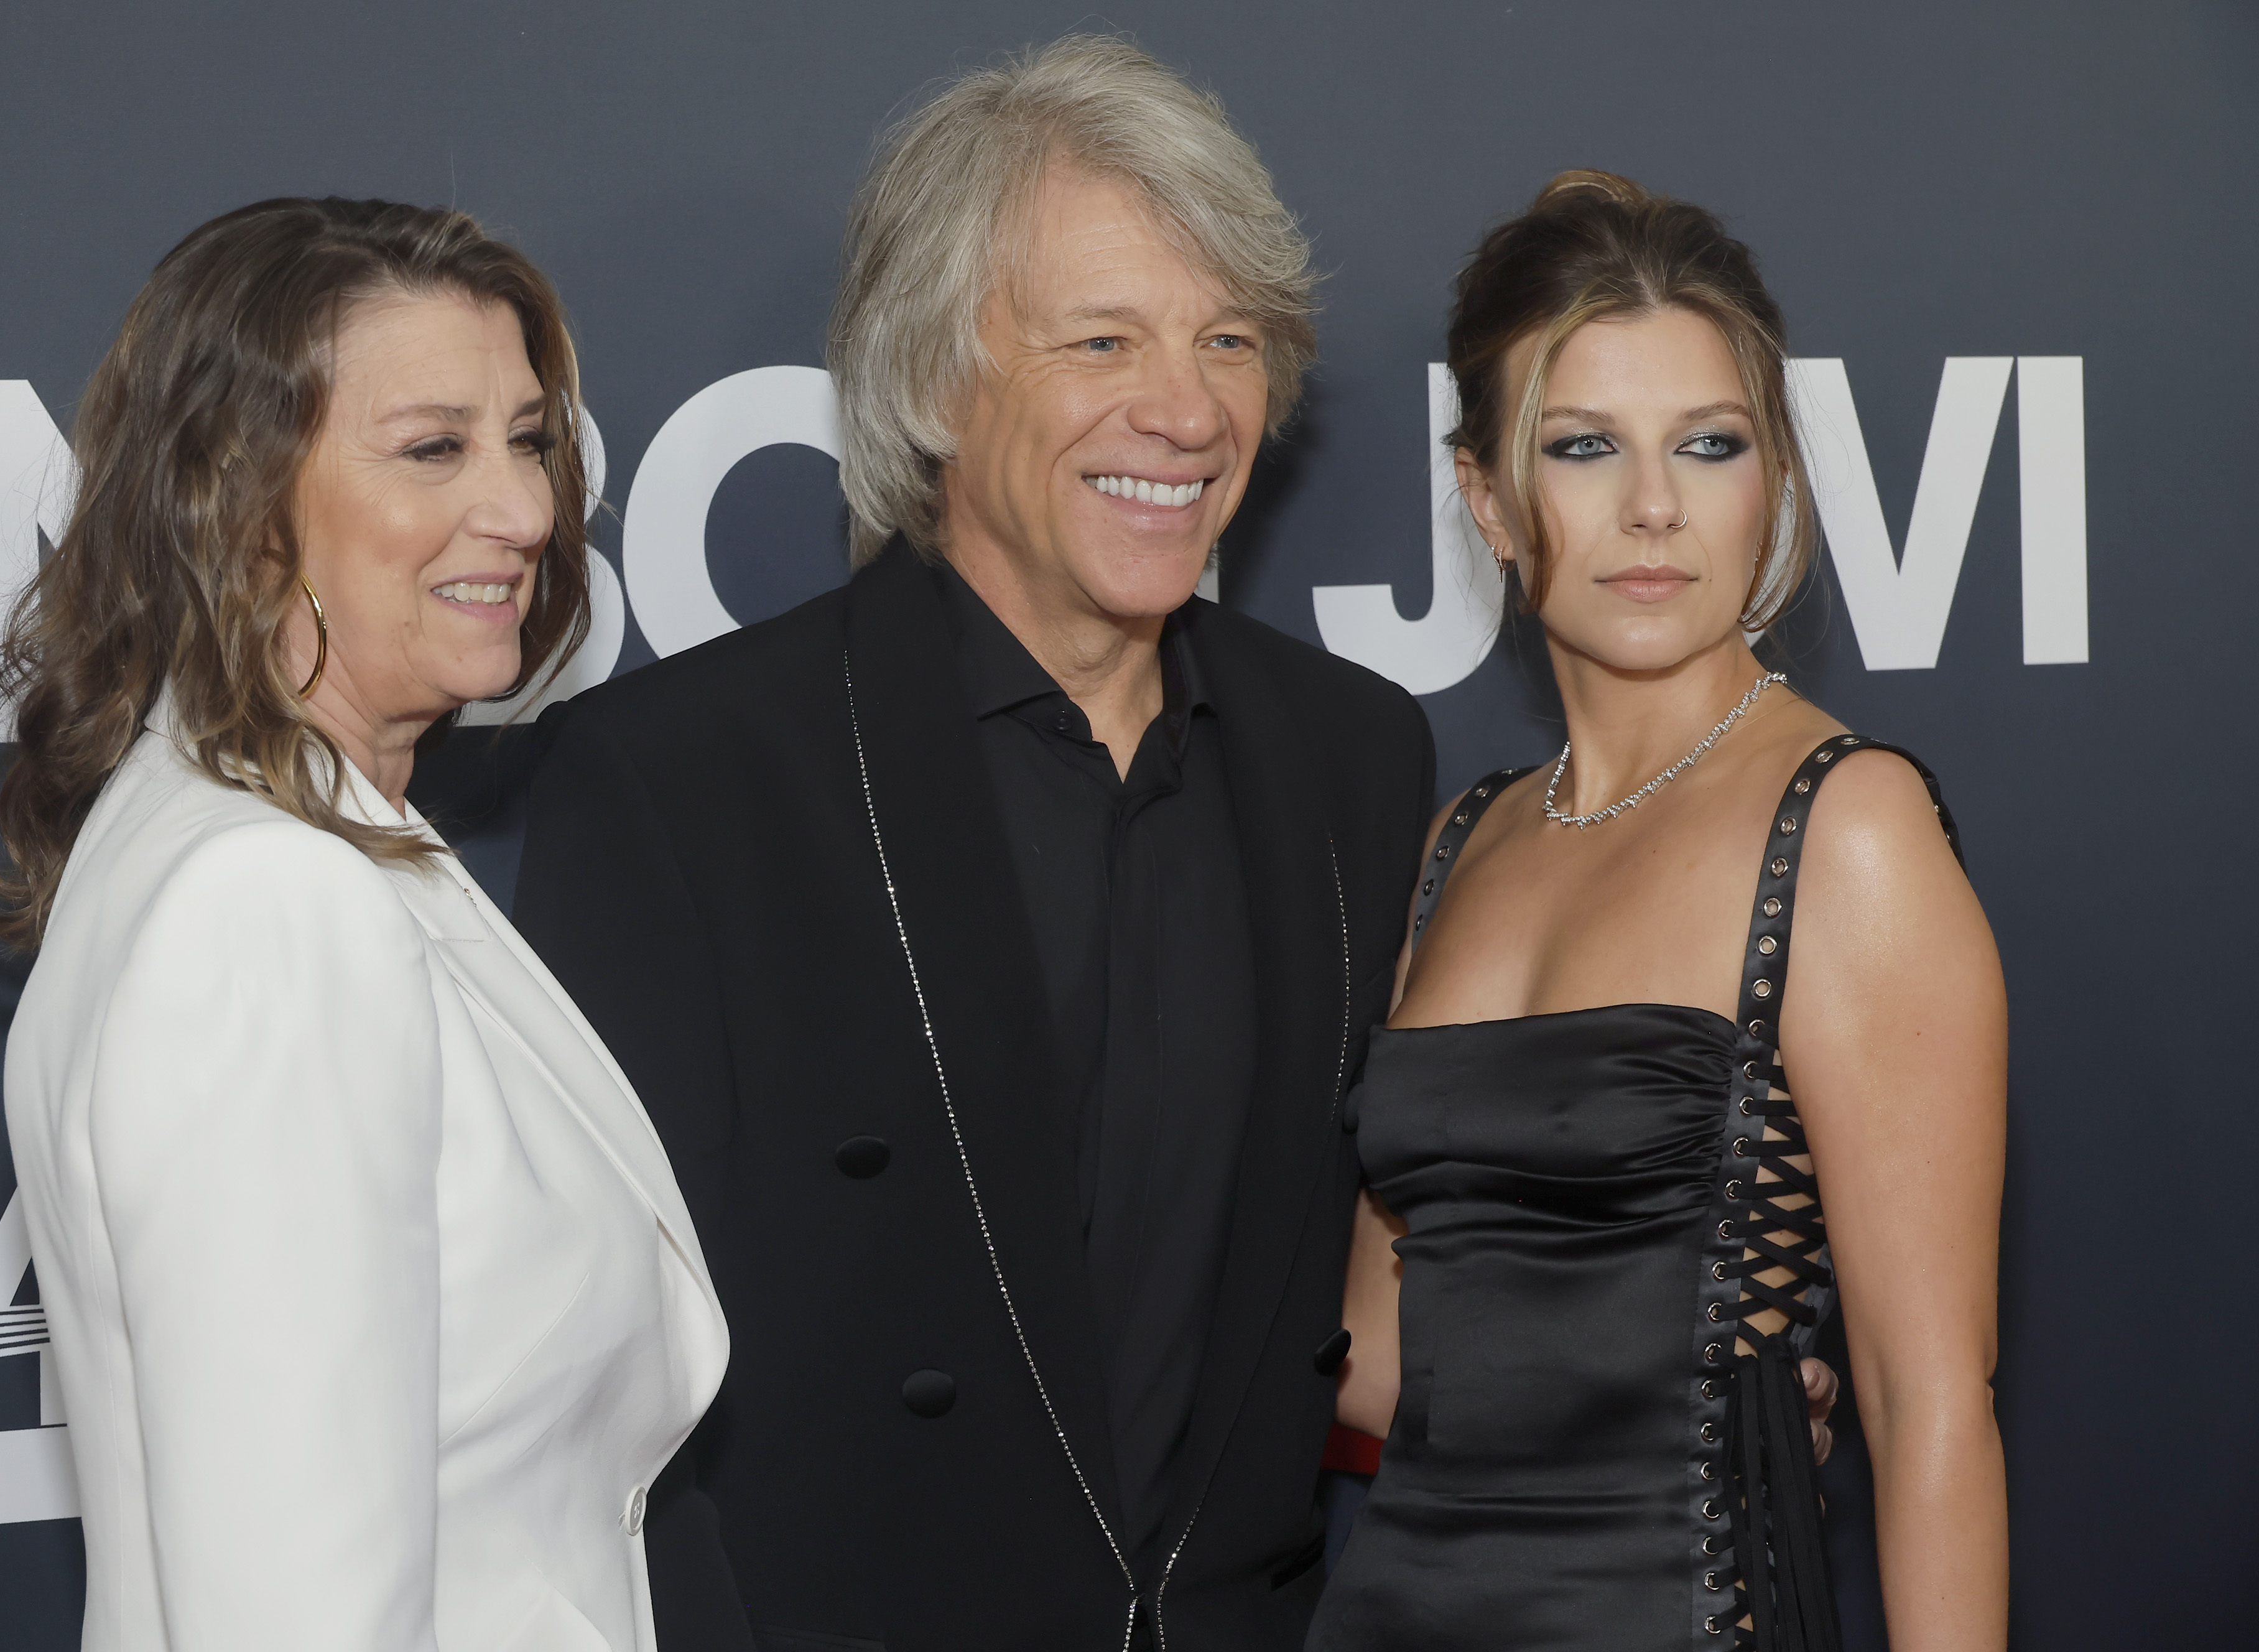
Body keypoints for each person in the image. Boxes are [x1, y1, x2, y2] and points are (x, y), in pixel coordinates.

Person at [515, 37, 1438, 1652]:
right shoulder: (690, 783)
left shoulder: (1353, 758)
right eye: (1103, 339)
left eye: (1230, 339)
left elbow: (1368, 1296)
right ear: (933, 379)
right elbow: (593, 1404)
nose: (1185, 406)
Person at [0, 198, 726, 1652]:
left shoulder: (264, 834)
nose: (525, 508)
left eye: (529, 437)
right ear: (239, 496)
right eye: (432, 447)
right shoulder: (270, 905)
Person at [1314, 172, 2008, 1652]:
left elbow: (1929, 1398)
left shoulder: (1846, 826)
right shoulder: (1458, 842)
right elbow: (1375, 1359)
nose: (1652, 506)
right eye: (1582, 446)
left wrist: (1727, 1383)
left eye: (1710, 443)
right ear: (1487, 498)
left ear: (1775, 481)